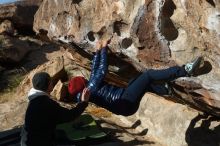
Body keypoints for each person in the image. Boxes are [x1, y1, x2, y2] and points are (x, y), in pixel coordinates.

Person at [68, 40, 204, 116]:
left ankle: (165, 90)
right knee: (148, 75)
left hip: (124, 107)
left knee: (136, 81)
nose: (85, 79)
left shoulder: (85, 93)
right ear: (83, 83)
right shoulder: (91, 87)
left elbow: (94, 71)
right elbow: (101, 70)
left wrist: (97, 52)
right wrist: (104, 48)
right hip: (125, 101)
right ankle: (186, 70)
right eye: (83, 80)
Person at [21, 72, 90, 146]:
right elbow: (70, 115)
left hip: (27, 140)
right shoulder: (46, 104)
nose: (52, 83)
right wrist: (84, 102)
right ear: (48, 85)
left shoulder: (34, 99)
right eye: (50, 81)